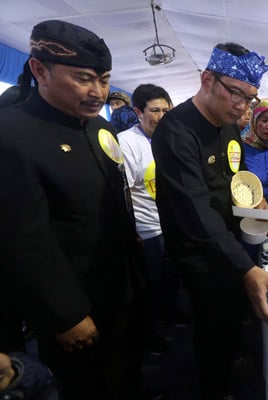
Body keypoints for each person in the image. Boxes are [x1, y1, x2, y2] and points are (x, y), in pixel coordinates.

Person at [0, 20, 145, 399]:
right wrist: (64, 313)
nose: (98, 92)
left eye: (105, 79)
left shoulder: (101, 128)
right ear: (39, 70)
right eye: (83, 79)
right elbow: (22, 238)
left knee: (126, 371)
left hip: (121, 284)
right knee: (86, 385)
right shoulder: (11, 133)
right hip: (73, 302)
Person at [151, 42, 268, 399]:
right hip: (198, 251)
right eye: (236, 94)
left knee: (231, 317)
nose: (243, 107)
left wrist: (254, 195)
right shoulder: (176, 131)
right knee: (210, 326)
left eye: (250, 98)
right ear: (207, 79)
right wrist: (247, 267)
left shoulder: (227, 125)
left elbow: (235, 170)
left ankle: (232, 364)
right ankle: (215, 388)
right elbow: (195, 211)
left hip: (229, 239)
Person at [117, 83, 176, 355]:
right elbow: (123, 191)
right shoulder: (127, 142)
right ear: (138, 112)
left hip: (172, 227)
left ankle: (170, 319)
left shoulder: (171, 137)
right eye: (155, 110)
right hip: (147, 231)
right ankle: (150, 335)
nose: (162, 116)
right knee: (149, 287)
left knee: (170, 281)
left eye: (166, 109)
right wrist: (131, 232)